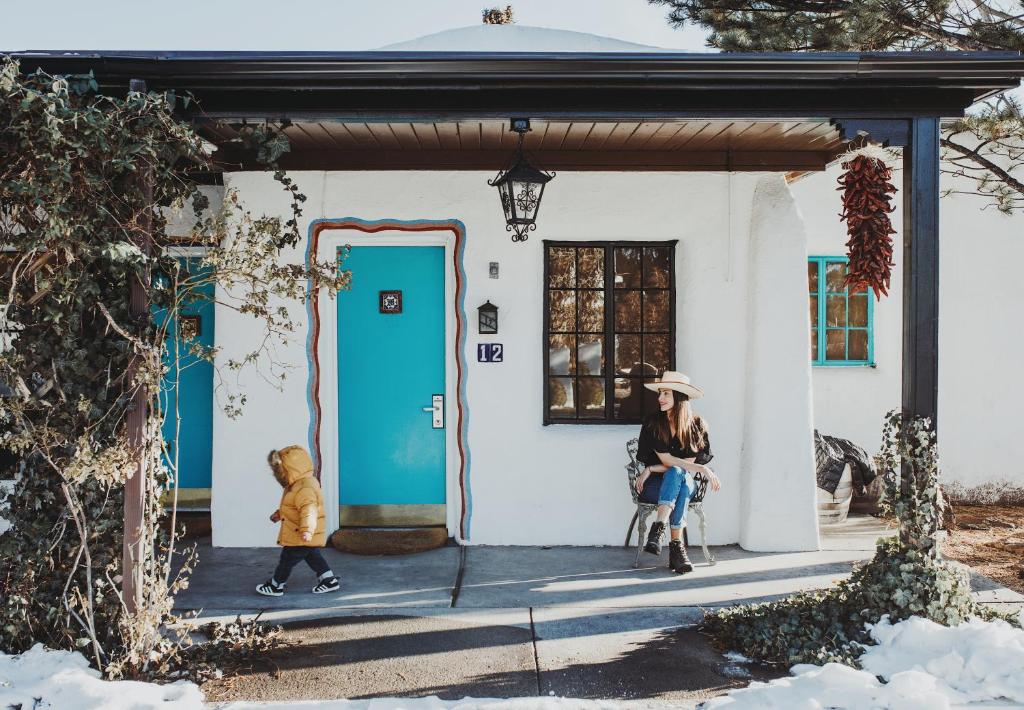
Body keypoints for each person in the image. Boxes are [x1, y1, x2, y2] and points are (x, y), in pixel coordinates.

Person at [633, 371, 721, 574]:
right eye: (660, 393)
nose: (660, 398)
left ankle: (658, 529)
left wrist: (652, 468)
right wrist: (702, 468)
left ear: (679, 397)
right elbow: (670, 460)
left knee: (677, 474)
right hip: (656, 486)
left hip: (683, 480)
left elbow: (682, 466)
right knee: (678, 484)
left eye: (666, 394)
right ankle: (677, 550)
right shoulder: (654, 423)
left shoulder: (696, 426)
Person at [256, 445, 341, 596]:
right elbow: (293, 507)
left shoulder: (304, 488)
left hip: (300, 532)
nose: (279, 476)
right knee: (312, 555)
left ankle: (276, 585)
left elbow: (309, 510)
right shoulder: (298, 484)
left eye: (282, 472)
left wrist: (307, 530)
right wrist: (279, 514)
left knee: (287, 559)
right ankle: (329, 580)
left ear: (292, 470)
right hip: (300, 531)